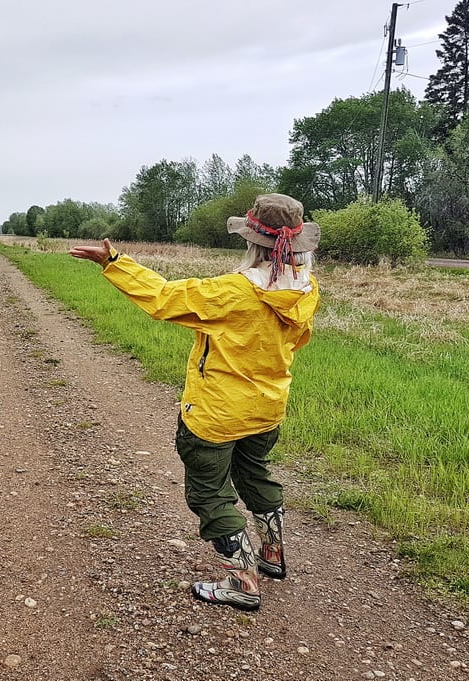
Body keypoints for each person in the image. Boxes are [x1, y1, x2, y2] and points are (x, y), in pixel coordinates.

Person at [69, 193, 320, 611]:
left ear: (252, 240)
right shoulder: (307, 290)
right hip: (268, 407)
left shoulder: (231, 292)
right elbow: (295, 343)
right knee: (255, 474)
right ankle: (272, 555)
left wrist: (114, 262)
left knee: (209, 495)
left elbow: (164, 299)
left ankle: (243, 581)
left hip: (216, 414)